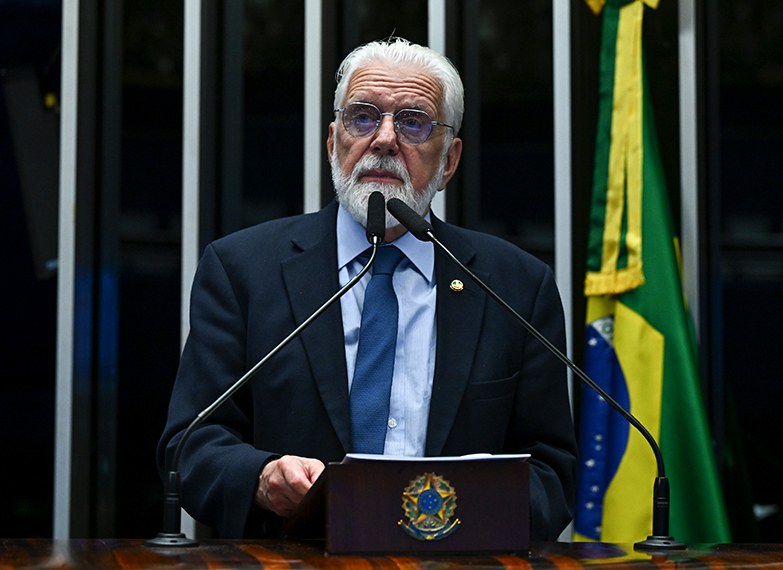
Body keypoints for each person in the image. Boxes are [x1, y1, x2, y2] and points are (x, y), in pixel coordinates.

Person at [157, 37, 576, 541]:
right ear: (333, 142)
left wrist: (458, 512)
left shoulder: (516, 287)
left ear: (448, 160)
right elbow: (191, 446)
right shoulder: (243, 270)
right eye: (362, 117)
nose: (384, 139)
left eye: (413, 122)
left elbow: (553, 474)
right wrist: (263, 478)